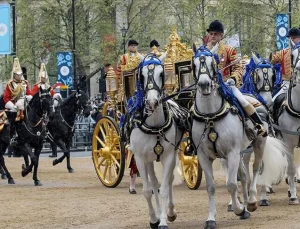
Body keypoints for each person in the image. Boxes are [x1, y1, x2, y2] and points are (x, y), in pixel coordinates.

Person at [206, 20, 266, 137]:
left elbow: (238, 68)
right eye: (211, 33)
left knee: (242, 100)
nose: (213, 36)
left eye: (216, 34)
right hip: (207, 87)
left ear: (221, 36)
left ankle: (257, 124)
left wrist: (233, 78)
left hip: (227, 85)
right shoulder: (203, 51)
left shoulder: (229, 50)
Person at [3, 58, 32, 146]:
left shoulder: (25, 83)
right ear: (14, 75)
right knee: (13, 119)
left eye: (20, 75)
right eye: (17, 75)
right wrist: (13, 106)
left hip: (24, 104)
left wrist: (27, 98)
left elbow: (29, 93)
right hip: (14, 106)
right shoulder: (10, 84)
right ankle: (12, 136)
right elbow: (6, 97)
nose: (19, 76)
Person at [271, 27, 300, 101]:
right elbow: (273, 60)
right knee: (273, 101)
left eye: (294, 38)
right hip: (288, 83)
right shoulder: (283, 52)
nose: (292, 40)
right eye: (291, 38)